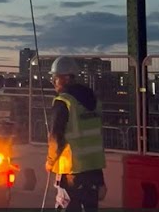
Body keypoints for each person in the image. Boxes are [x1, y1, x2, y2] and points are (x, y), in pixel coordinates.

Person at [44, 56, 107, 211]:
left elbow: (56, 138)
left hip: (71, 172)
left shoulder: (63, 102)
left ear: (65, 78)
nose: (53, 82)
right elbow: (92, 138)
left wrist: (50, 162)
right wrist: (100, 180)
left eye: (55, 78)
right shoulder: (92, 100)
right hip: (93, 171)